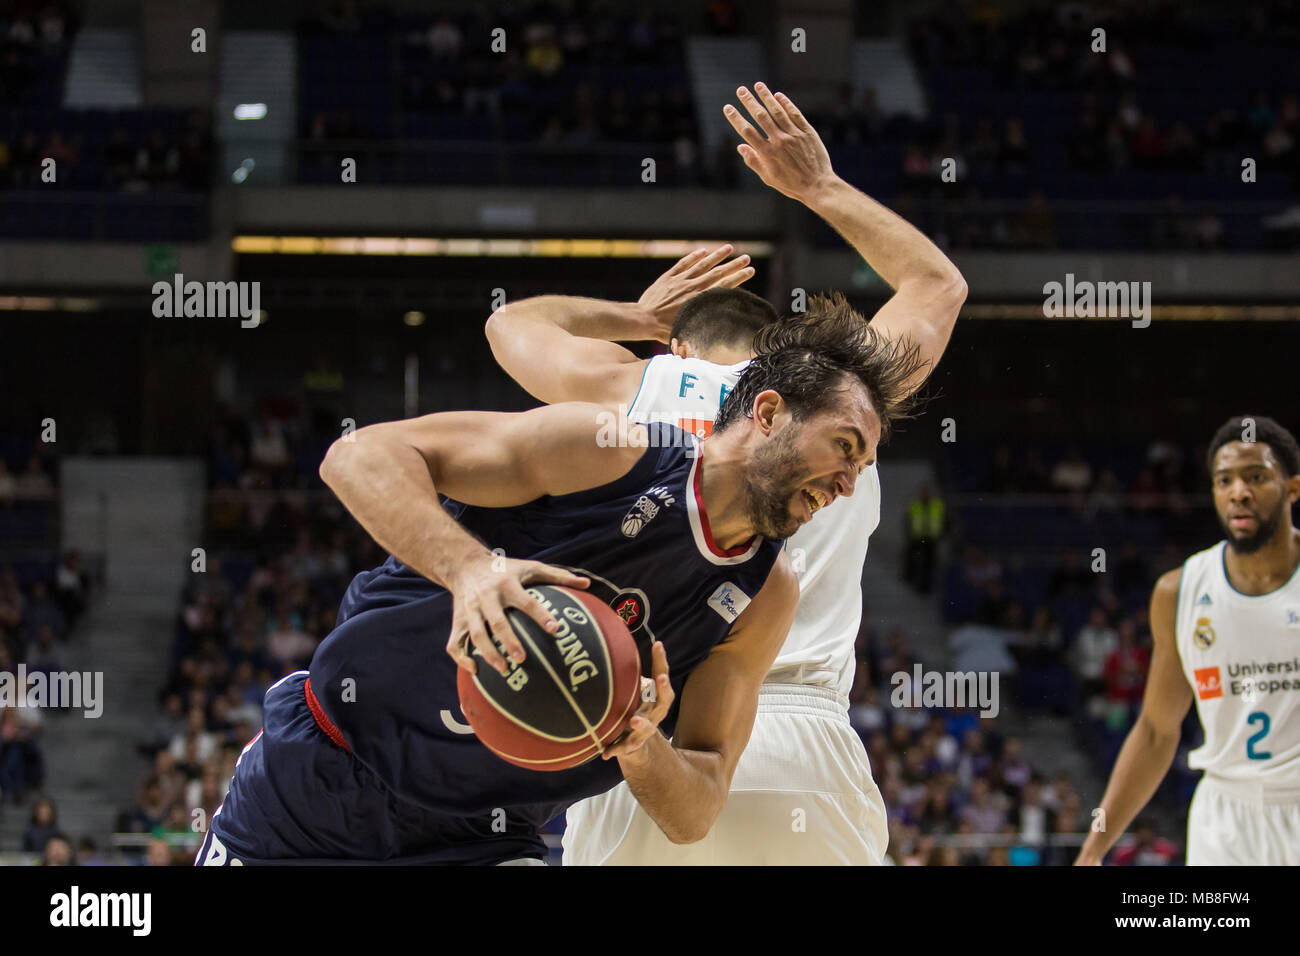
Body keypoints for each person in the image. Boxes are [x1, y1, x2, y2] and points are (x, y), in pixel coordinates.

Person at [196, 323, 922, 865]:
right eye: (845, 447)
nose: (849, 483)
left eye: (864, 467)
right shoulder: (612, 450)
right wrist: (471, 571)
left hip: (481, 836)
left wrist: (642, 749)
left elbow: (697, 805)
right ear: (767, 412)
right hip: (326, 764)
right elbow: (358, 457)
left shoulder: (767, 597)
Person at [488, 83, 964, 864]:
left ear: (676, 349)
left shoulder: (636, 386)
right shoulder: (840, 407)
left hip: (646, 737)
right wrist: (819, 186)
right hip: (801, 744)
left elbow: (511, 323)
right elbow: (938, 286)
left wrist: (637, 318)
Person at [1077, 415, 1300, 865]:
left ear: (1292, 488)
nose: (1239, 491)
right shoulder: (1179, 592)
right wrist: (1093, 850)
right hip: (1225, 818)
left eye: (1256, 477)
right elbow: (1157, 732)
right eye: (1225, 480)